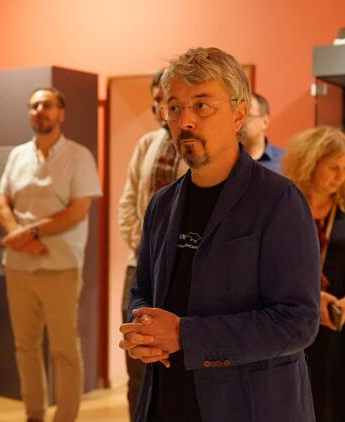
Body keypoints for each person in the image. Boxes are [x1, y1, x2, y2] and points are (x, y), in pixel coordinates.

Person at [119, 47, 320, 422]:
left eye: (202, 105)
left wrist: (184, 335)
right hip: (166, 399)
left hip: (249, 405)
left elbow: (297, 322)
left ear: (239, 115)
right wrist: (143, 328)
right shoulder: (162, 205)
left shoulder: (279, 201)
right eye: (174, 107)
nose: (185, 121)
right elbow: (141, 289)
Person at [0, 87, 102, 422]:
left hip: (60, 267)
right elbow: (2, 202)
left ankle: (65, 417)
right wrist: (21, 238)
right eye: (34, 106)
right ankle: (34, 414)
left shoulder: (78, 156)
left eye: (47, 105)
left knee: (64, 350)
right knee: (25, 347)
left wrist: (30, 234)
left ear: (61, 113)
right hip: (19, 266)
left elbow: (78, 210)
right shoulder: (17, 155)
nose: (39, 111)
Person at [282, 126, 345, 422]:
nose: (340, 176)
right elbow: (270, 266)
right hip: (297, 320)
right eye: (333, 168)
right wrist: (314, 299)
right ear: (310, 163)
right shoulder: (286, 204)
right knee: (305, 402)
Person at [117, 70, 186, 419]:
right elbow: (128, 202)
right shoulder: (146, 143)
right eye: (158, 99)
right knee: (137, 363)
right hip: (140, 267)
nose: (164, 106)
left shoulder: (195, 145)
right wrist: (146, 250)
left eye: (170, 98)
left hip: (183, 268)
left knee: (175, 361)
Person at [240, 93, 284, 173]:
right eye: (238, 116)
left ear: (265, 122)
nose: (240, 122)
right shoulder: (223, 160)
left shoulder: (284, 161)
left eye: (248, 116)